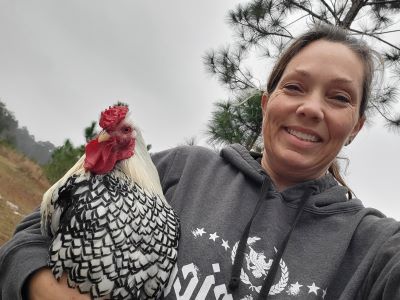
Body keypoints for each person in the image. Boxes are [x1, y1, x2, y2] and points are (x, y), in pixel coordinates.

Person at [1, 24, 400, 300]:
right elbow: (35, 234)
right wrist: (44, 288)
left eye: (339, 98)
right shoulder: (181, 170)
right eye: (294, 87)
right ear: (267, 103)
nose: (311, 108)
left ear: (356, 127)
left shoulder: (373, 247)